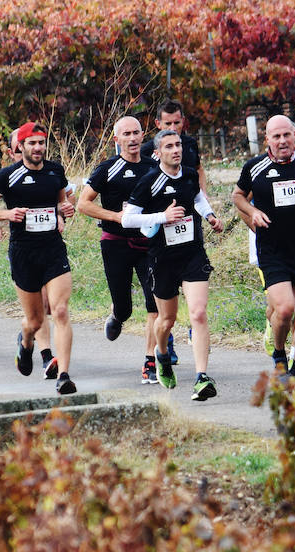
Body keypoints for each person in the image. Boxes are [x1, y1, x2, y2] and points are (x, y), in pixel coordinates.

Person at [121, 129, 224, 401]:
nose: (176, 150)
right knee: (165, 320)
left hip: (192, 254)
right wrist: (161, 216)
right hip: (162, 259)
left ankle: (202, 377)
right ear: (158, 153)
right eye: (169, 146)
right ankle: (162, 354)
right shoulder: (149, 181)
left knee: (198, 314)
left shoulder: (189, 174)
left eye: (178, 144)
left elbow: (198, 199)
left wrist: (210, 216)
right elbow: (127, 219)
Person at [0, 122, 78, 395]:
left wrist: (64, 211)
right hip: (24, 253)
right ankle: (26, 341)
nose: (38, 148)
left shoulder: (55, 171)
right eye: (32, 143)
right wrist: (6, 216)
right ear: (20, 147)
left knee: (60, 310)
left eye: (41, 142)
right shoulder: (7, 176)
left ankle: (64, 375)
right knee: (34, 321)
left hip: (53, 250)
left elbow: (61, 203)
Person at [231, 115, 295, 376]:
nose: (282, 141)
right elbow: (237, 196)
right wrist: (252, 212)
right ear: (267, 140)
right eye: (276, 136)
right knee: (284, 309)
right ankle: (279, 352)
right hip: (272, 249)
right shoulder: (255, 167)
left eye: (287, 135)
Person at [77, 116, 162, 382]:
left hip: (149, 243)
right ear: (117, 140)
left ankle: (150, 361)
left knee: (154, 302)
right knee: (124, 306)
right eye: (127, 134)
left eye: (137, 133)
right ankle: (117, 315)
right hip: (115, 243)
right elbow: (83, 204)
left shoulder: (153, 166)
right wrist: (116, 216)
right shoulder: (108, 168)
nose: (133, 138)